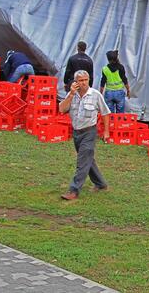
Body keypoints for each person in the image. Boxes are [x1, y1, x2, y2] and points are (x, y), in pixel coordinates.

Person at [58, 70, 110, 201]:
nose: (84, 83)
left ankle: (73, 190)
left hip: (89, 132)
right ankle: (101, 183)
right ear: (76, 82)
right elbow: (61, 109)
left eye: (86, 80)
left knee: (82, 161)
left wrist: (106, 131)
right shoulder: (72, 95)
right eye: (81, 80)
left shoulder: (95, 95)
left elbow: (105, 113)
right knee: (88, 159)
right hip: (76, 132)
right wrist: (71, 94)